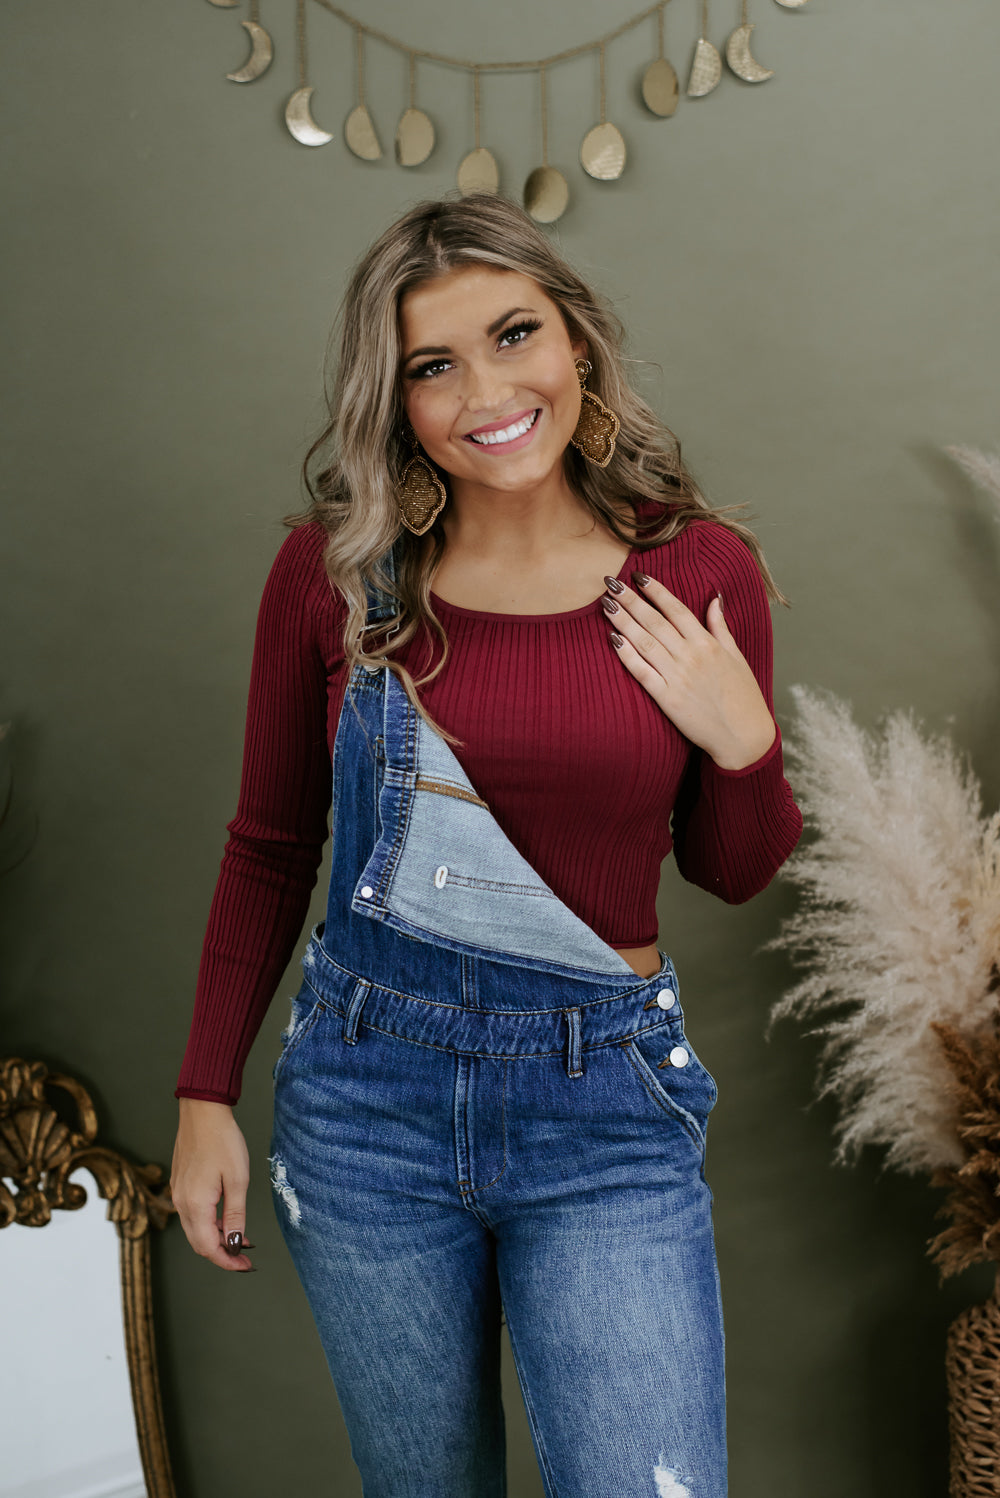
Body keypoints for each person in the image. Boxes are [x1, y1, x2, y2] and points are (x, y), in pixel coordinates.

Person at [171, 193, 802, 1498]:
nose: (488, 392)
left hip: (603, 1104)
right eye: (434, 366)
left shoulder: (697, 573)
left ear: (577, 341)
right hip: (364, 1103)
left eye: (515, 335)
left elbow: (731, 870)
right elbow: (272, 843)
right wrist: (203, 1094)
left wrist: (746, 743)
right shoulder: (334, 580)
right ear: (395, 401)